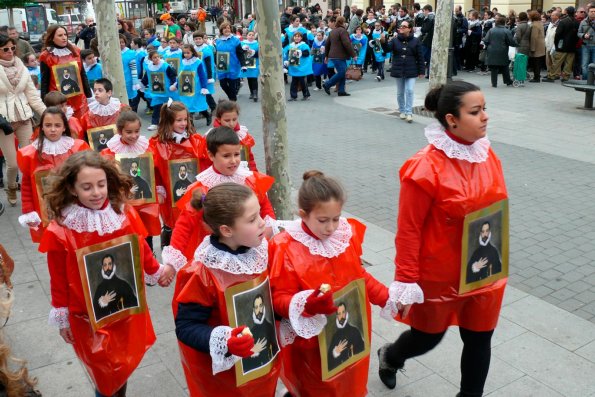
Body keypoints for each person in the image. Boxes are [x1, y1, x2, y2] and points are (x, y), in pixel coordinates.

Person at [376, 82, 508, 397]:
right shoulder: (423, 169)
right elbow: (408, 230)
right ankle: (391, 355)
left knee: (479, 338)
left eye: (484, 109)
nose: (485, 117)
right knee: (427, 337)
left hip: (482, 269)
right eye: (475, 112)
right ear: (451, 119)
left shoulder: (486, 153)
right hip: (438, 276)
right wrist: (406, 281)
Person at [40, 151, 166, 397]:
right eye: (87, 187)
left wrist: (156, 271)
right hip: (85, 314)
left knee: (121, 363)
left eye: (101, 184)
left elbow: (138, 246)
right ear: (73, 188)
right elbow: (57, 277)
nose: (96, 193)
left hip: (125, 308)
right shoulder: (62, 228)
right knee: (103, 370)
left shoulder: (122, 213)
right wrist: (62, 316)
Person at [269, 171, 393, 397]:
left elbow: (359, 276)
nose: (331, 228)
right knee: (317, 388)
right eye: (323, 220)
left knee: (350, 383)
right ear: (303, 215)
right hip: (312, 345)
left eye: (336, 218)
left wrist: (385, 296)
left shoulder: (344, 236)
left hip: (350, 329)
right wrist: (305, 304)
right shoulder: (285, 247)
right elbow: (278, 299)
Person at [172, 183, 281, 396]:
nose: (262, 223)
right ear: (226, 230)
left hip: (262, 362)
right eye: (252, 220)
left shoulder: (261, 250)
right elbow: (186, 326)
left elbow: (271, 299)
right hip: (225, 380)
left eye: (259, 214)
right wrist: (226, 341)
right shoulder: (202, 272)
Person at [162, 126, 275, 273]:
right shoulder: (202, 187)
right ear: (211, 155)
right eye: (226, 156)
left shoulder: (249, 179)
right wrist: (171, 263)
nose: (234, 161)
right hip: (217, 256)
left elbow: (265, 207)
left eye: (237, 154)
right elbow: (184, 225)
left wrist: (267, 230)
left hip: (250, 248)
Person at [17, 107, 90, 243]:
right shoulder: (30, 154)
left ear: (64, 127)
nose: (53, 129)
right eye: (48, 125)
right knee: (55, 246)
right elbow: (27, 183)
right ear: (42, 128)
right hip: (48, 212)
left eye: (57, 125)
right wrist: (28, 210)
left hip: (76, 208)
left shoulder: (78, 147)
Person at [148, 101, 208, 251]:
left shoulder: (195, 140)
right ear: (169, 121)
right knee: (172, 223)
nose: (183, 123)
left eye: (185, 119)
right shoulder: (158, 144)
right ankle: (170, 247)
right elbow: (153, 170)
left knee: (194, 219)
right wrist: (159, 189)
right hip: (169, 194)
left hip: (193, 191)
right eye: (178, 120)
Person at [100, 111, 161, 253]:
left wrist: (158, 188)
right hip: (123, 202)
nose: (134, 136)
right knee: (127, 232)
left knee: (147, 233)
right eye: (129, 132)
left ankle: (149, 258)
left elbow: (155, 171)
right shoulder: (110, 152)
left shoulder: (147, 148)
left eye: (137, 131)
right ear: (120, 131)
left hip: (145, 200)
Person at [0, 35, 46, 206]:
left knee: (29, 159)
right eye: (5, 49)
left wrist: (48, 114)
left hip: (24, 117)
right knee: (12, 164)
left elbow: (33, 96)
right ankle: (11, 187)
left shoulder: (21, 67)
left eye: (12, 48)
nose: (10, 52)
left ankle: (32, 191)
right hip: (4, 122)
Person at [39, 25, 92, 120]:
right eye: (60, 35)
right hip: (58, 102)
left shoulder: (76, 51)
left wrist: (89, 96)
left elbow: (82, 75)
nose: (64, 37)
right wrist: (45, 103)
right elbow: (44, 82)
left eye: (65, 34)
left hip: (79, 100)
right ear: (52, 38)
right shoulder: (46, 56)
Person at [389, 20, 424, 123]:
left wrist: (421, 71)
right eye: (401, 26)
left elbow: (420, 57)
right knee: (400, 92)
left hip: (411, 69)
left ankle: (409, 112)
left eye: (404, 26)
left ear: (410, 29)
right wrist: (382, 41)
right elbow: (387, 49)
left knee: (409, 90)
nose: (402, 28)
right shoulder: (395, 40)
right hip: (399, 69)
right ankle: (402, 110)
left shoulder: (416, 41)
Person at [209, 100, 258, 171]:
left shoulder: (242, 135)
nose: (231, 124)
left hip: (242, 172)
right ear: (219, 119)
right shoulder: (213, 136)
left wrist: (254, 172)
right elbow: (208, 161)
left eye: (234, 119)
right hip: (222, 173)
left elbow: (249, 158)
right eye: (227, 120)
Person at [92, 253, 139, 320]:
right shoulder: (99, 289)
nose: (107, 267)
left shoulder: (124, 284)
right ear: (102, 267)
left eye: (110, 264)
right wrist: (101, 303)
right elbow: (94, 316)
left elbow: (135, 305)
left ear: (113, 265)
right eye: (105, 265)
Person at [140, 51, 178, 130]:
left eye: (158, 57)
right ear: (151, 59)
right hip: (156, 91)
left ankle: (173, 122)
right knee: (156, 107)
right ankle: (155, 123)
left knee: (171, 107)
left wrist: (173, 84)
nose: (157, 59)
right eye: (154, 57)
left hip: (168, 90)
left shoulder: (165, 66)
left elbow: (173, 75)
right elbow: (146, 78)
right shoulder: (149, 68)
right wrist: (142, 85)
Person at [323, 16, 357, 96]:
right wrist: (353, 54)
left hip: (334, 55)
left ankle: (341, 90)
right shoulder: (343, 31)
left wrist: (326, 56)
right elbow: (347, 44)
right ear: (343, 23)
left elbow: (327, 45)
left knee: (343, 72)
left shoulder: (332, 31)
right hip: (340, 56)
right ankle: (327, 84)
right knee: (341, 72)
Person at [177, 44, 211, 125]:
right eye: (184, 53)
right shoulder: (182, 61)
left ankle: (207, 115)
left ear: (192, 52)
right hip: (185, 87)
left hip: (196, 87)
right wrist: (176, 84)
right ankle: (190, 125)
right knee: (187, 106)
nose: (186, 55)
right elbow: (180, 74)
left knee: (197, 104)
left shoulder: (197, 62)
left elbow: (202, 75)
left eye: (188, 53)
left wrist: (204, 87)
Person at [327, 302, 365, 370]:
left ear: (346, 313)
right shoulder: (335, 336)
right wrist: (335, 352)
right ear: (337, 317)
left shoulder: (354, 331)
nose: (341, 316)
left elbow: (363, 350)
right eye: (339, 314)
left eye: (343, 312)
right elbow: (328, 363)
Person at [215, 22, 246, 101]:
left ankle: (232, 101)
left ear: (231, 29)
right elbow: (216, 54)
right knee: (223, 85)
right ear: (221, 30)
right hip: (222, 67)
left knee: (232, 86)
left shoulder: (235, 40)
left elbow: (240, 53)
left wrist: (243, 65)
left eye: (228, 28)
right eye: (225, 28)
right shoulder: (217, 41)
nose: (227, 30)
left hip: (233, 66)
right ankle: (232, 98)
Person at [483, 16, 516, 87]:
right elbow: (511, 42)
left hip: (492, 51)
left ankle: (494, 83)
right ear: (504, 23)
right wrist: (517, 44)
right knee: (504, 66)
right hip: (502, 51)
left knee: (494, 68)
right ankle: (507, 81)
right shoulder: (506, 31)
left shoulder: (491, 30)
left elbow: (486, 40)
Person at [284, 31, 312, 101]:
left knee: (303, 82)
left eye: (298, 36)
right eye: (295, 36)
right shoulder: (290, 45)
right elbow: (288, 54)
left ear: (301, 38)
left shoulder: (304, 45)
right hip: (294, 67)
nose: (297, 38)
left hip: (302, 67)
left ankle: (306, 95)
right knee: (294, 82)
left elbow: (307, 53)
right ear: (293, 37)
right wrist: (287, 61)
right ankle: (293, 96)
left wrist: (300, 52)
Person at [193, 32, 217, 113]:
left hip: (205, 73)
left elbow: (208, 64)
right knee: (198, 92)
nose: (198, 40)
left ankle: (213, 107)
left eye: (199, 39)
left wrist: (209, 77)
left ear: (203, 39)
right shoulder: (193, 49)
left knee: (206, 92)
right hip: (196, 74)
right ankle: (202, 110)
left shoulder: (206, 49)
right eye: (196, 39)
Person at [119, 35, 140, 106]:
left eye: (122, 42)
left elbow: (133, 69)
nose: (121, 44)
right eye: (119, 42)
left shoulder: (130, 53)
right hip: (116, 82)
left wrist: (135, 82)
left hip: (128, 81)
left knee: (128, 103)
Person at [240, 31, 260, 101]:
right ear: (247, 36)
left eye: (252, 35)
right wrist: (243, 49)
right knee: (249, 78)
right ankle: (251, 92)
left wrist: (253, 52)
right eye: (249, 35)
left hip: (255, 64)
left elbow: (260, 53)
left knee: (254, 78)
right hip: (247, 64)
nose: (251, 36)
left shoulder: (257, 44)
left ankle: (255, 94)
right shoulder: (242, 43)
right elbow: (240, 53)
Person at [528, 11, 546, 82]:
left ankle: (536, 77)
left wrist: (532, 48)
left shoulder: (534, 25)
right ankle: (537, 76)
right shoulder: (540, 23)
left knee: (536, 63)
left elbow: (533, 37)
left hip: (536, 46)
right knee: (538, 62)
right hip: (541, 45)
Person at [578, 5, 595, 80]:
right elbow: (578, 33)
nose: (593, 13)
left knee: (594, 64)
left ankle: (592, 81)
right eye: (591, 11)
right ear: (588, 12)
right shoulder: (583, 22)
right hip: (585, 46)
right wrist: (584, 35)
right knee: (584, 65)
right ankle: (585, 81)